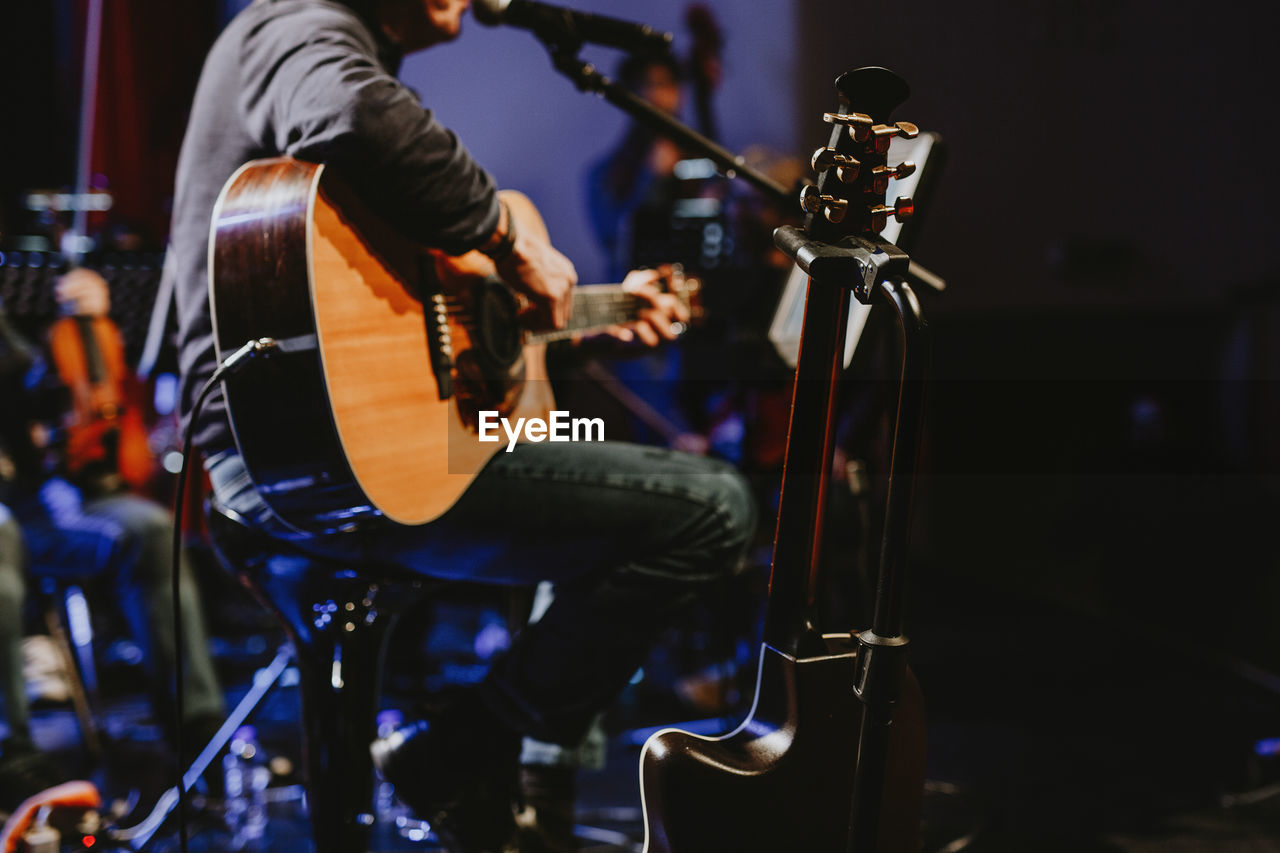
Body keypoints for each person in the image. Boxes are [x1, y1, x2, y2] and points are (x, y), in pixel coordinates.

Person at [168, 0, 756, 850]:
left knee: (574, 448)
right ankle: (464, 756)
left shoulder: (303, 38)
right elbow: (353, 113)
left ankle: (532, 797)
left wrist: (594, 311)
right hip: (305, 459)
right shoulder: (301, 23)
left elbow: (414, 321)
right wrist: (511, 236)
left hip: (338, 447)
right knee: (716, 506)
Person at [0, 272, 226, 782]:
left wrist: (91, 321)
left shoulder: (20, 295)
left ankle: (199, 736)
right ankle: (11, 757)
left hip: (47, 494)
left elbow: (35, 385)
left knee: (148, 531)